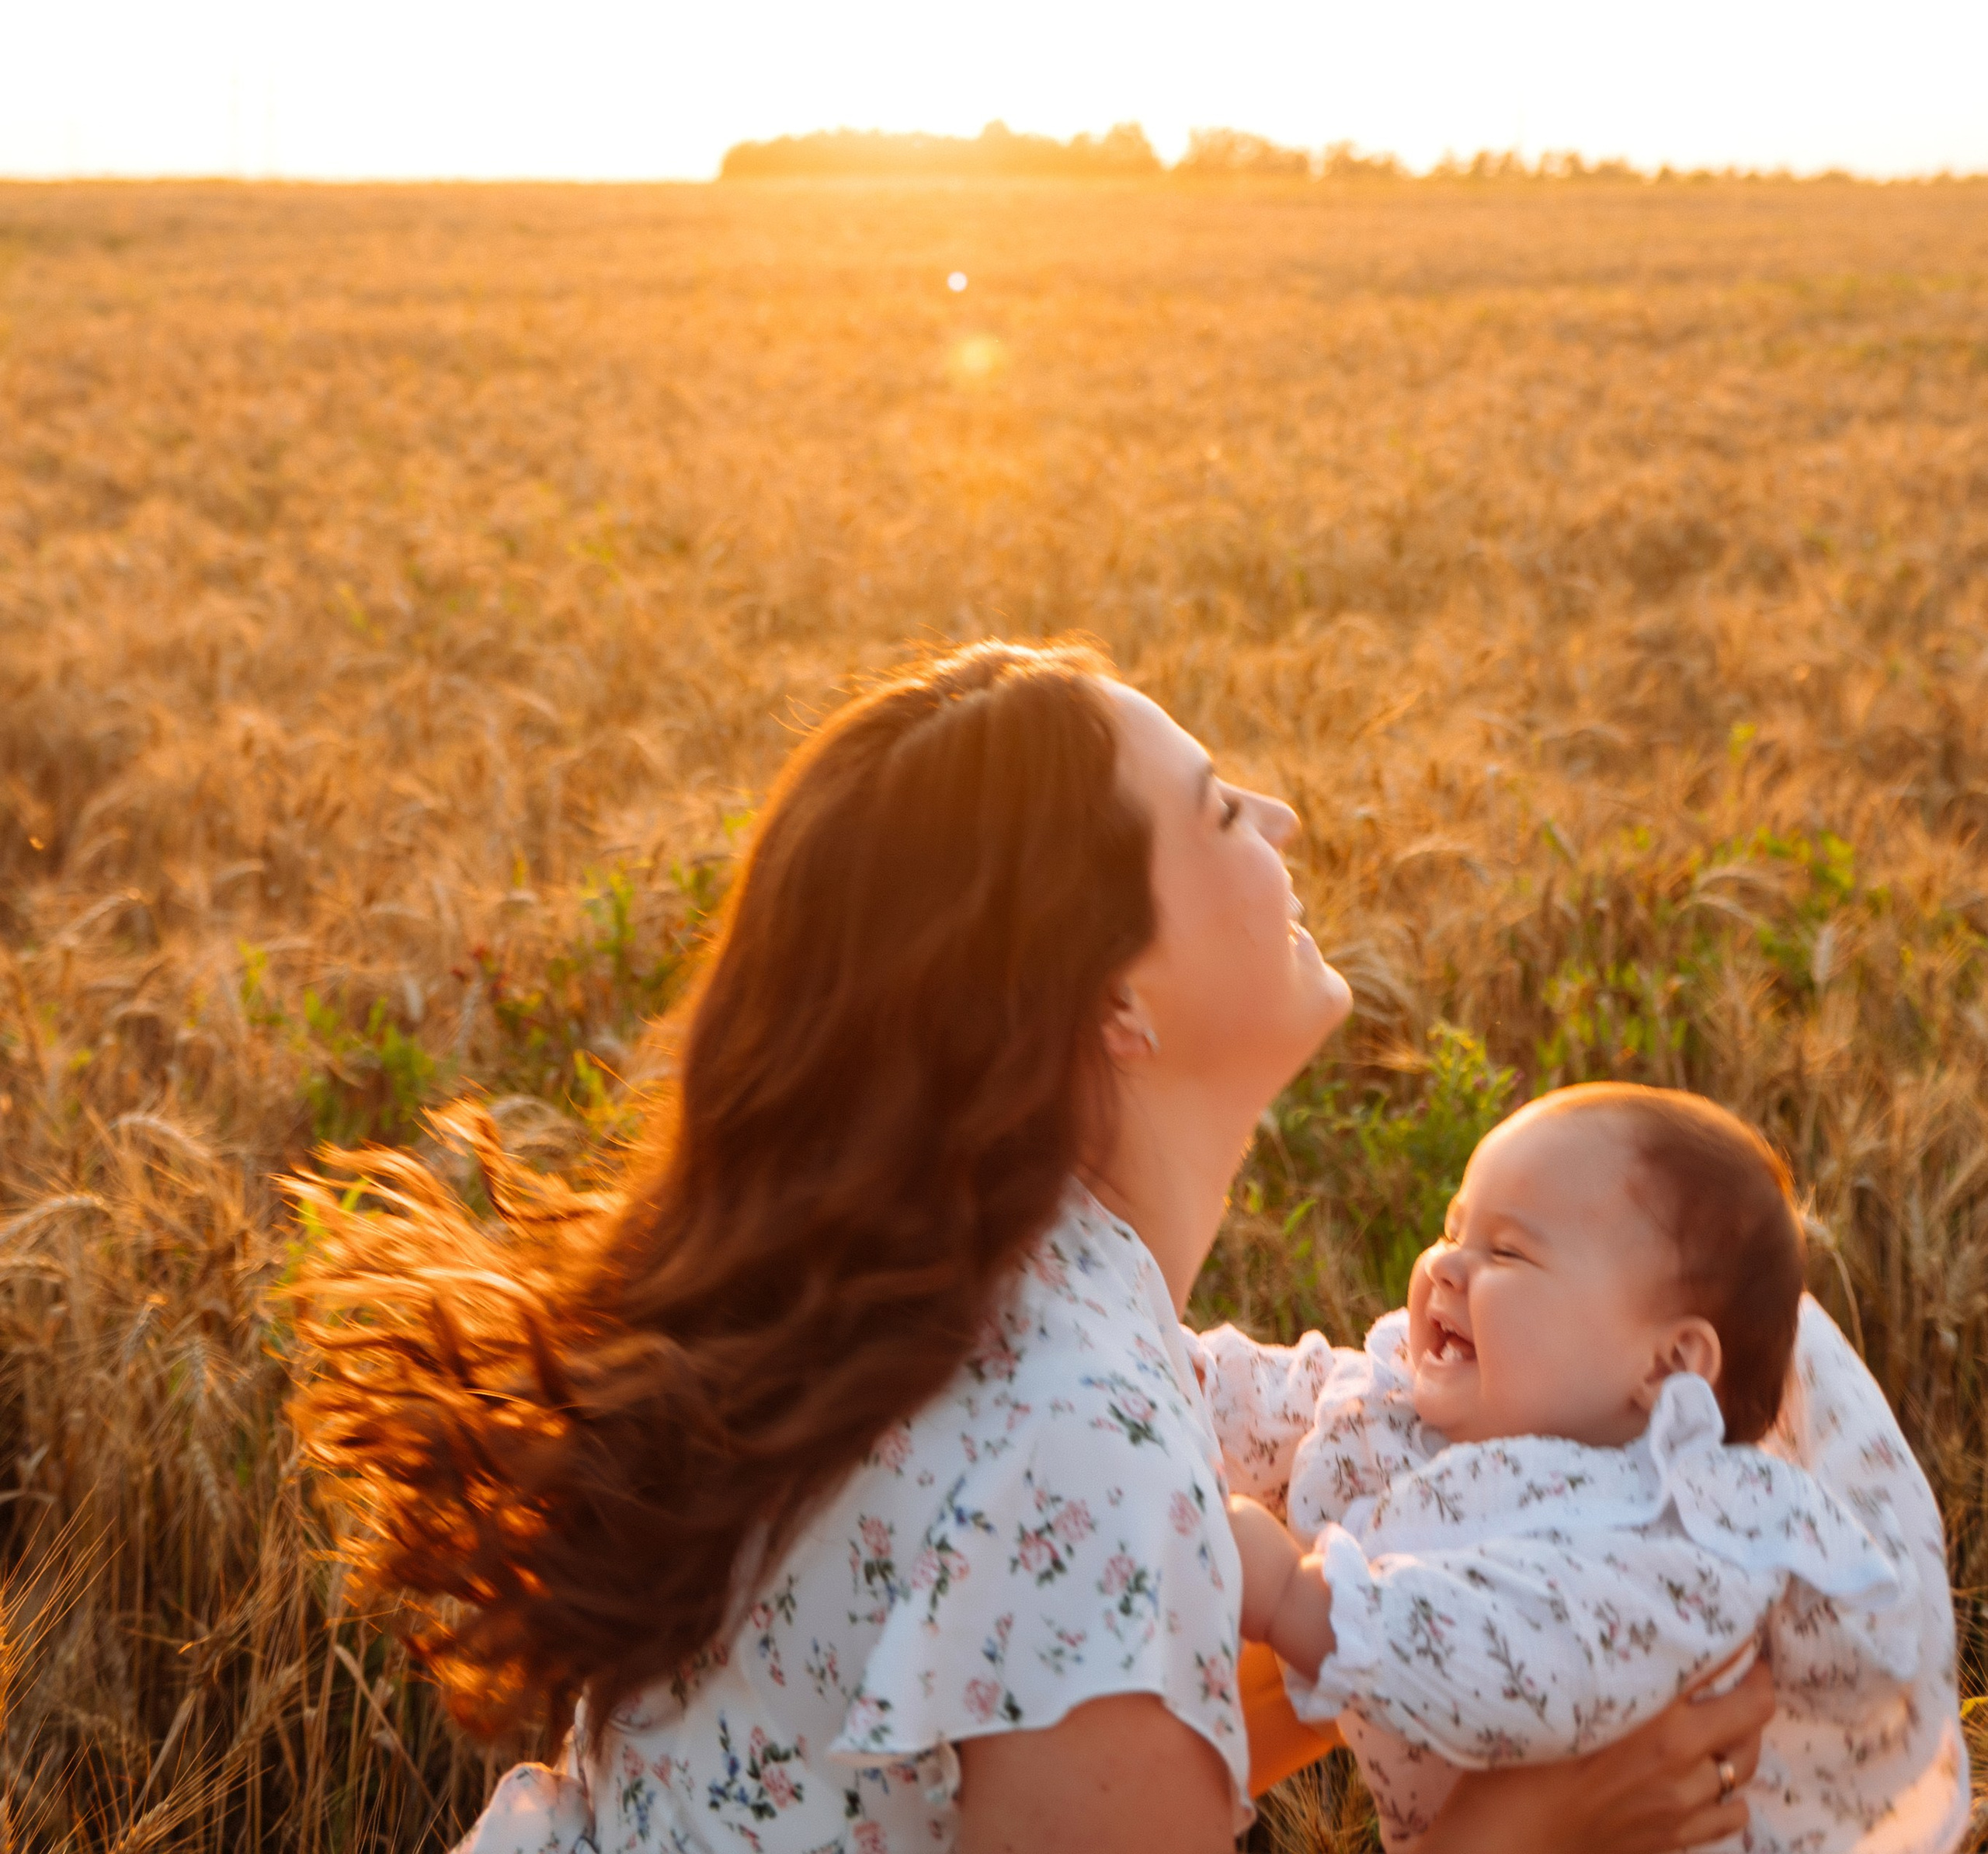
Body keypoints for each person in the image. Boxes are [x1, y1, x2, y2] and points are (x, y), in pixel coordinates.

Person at [291, 641, 1771, 1852]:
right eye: (1214, 812)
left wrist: (1399, 1620)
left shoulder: (964, 1288)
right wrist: (1531, 1827)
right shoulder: (1085, 1436)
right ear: (1116, 999)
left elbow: (997, 1752)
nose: (1283, 814)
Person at [1214, 1087, 1967, 1852]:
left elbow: (1524, 1657)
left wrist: (1295, 1601)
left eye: (1505, 1250)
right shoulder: (1415, 1407)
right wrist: (1150, 1364)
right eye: (1451, 1228)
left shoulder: (1674, 1542)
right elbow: (1265, 1394)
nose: (1444, 1262)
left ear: (1667, 1363)